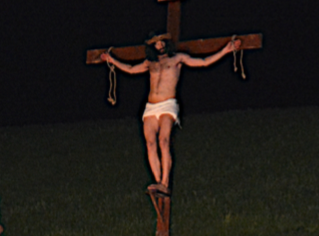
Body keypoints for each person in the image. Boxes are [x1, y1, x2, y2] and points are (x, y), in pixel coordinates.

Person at [100, 32, 240, 196]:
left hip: (168, 105)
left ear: (167, 43)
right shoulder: (150, 62)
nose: (159, 46)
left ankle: (165, 182)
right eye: (156, 43)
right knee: (150, 143)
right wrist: (111, 60)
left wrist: (226, 50)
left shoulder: (177, 59)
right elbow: (131, 69)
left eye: (162, 42)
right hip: (151, 106)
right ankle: (158, 182)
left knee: (164, 140)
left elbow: (203, 62)